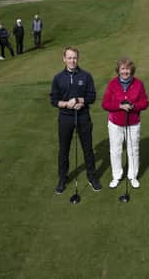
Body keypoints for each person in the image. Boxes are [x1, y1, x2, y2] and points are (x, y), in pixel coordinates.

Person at [50, 47, 102, 194]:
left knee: (88, 149)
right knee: (64, 150)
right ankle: (62, 178)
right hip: (65, 117)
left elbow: (91, 96)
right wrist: (66, 104)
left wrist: (80, 100)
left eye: (75, 58)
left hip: (83, 116)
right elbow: (54, 100)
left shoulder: (86, 76)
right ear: (64, 59)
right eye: (69, 57)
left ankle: (92, 177)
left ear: (77, 59)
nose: (72, 60)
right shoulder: (58, 78)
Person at [101, 57, 149, 189]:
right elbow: (105, 104)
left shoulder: (138, 84)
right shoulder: (112, 84)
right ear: (118, 70)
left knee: (133, 150)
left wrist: (133, 106)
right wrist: (119, 106)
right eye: (122, 69)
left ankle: (132, 176)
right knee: (115, 150)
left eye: (127, 69)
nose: (125, 71)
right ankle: (116, 176)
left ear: (131, 70)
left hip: (133, 123)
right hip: (115, 123)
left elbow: (145, 103)